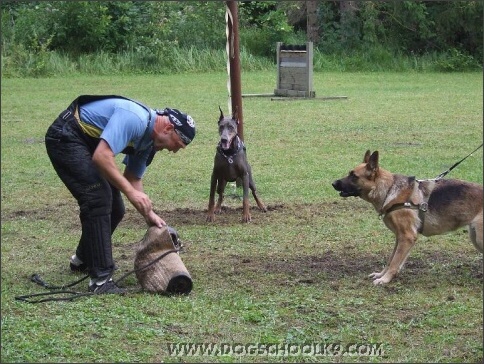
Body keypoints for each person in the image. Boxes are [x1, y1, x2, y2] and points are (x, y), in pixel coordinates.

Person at [45, 95, 196, 294]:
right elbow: (102, 156)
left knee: (116, 208)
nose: (174, 151)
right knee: (98, 198)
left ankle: (82, 260)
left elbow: (133, 178)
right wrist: (131, 193)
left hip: (89, 147)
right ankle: (101, 281)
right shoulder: (135, 119)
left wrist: (149, 215)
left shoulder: (149, 144)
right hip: (66, 136)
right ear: (168, 129)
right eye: (177, 144)